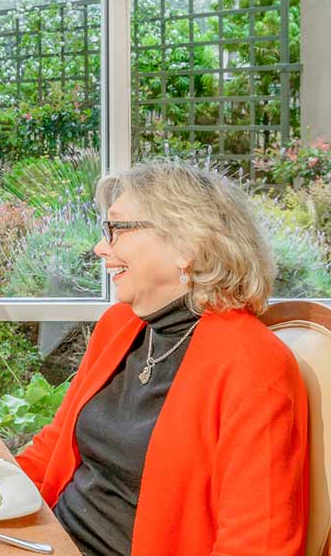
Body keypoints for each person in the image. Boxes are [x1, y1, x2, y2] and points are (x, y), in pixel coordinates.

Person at [17, 162, 309, 555]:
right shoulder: (120, 324)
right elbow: (54, 444)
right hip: (48, 538)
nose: (101, 247)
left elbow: (258, 544)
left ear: (186, 246)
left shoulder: (253, 367)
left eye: (117, 229)